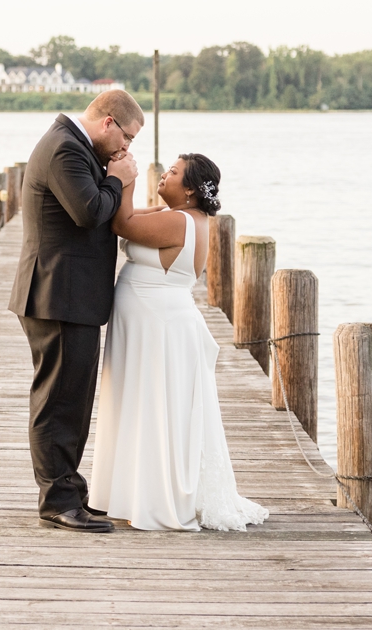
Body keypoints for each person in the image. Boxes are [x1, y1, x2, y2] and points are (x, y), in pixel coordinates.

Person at [87, 153, 269, 531]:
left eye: (171, 173)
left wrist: (124, 178)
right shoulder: (183, 215)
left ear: (189, 189)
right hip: (150, 321)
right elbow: (136, 216)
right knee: (141, 403)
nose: (163, 176)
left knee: (151, 405)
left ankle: (153, 498)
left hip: (158, 325)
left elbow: (122, 222)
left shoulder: (180, 221)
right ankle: (131, 491)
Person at [9, 88, 142, 533]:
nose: (127, 148)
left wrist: (113, 174)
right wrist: (119, 178)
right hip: (56, 295)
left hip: (70, 295)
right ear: (107, 122)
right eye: (127, 137)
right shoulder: (64, 148)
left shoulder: (76, 145)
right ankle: (57, 501)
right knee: (58, 401)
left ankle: (70, 491)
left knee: (74, 398)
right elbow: (89, 212)